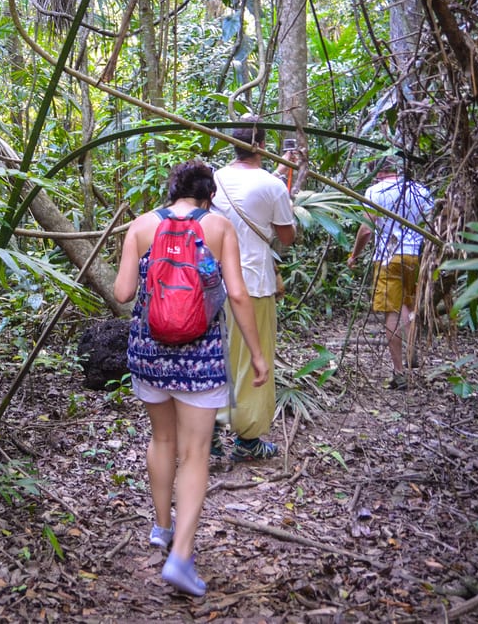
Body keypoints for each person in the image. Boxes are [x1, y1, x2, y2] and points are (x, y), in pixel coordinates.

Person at [114, 160, 268, 597]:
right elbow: (237, 294)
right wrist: (257, 355)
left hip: (149, 354)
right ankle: (181, 556)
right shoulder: (218, 227)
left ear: (172, 191)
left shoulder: (141, 226)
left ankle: (162, 528)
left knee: (162, 440)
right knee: (195, 452)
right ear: (208, 195)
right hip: (200, 358)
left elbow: (123, 293)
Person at [210, 118, 298, 462]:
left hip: (214, 280)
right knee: (252, 357)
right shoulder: (271, 185)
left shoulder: (214, 179)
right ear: (261, 145)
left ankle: (211, 436)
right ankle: (247, 439)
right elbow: (286, 237)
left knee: (218, 355)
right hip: (253, 282)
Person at [347, 154, 434, 389]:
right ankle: (411, 349)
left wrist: (354, 255)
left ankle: (399, 373)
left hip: (387, 258)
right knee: (407, 305)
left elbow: (366, 230)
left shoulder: (375, 192)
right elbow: (431, 223)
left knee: (392, 312)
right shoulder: (420, 190)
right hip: (413, 257)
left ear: (377, 172)